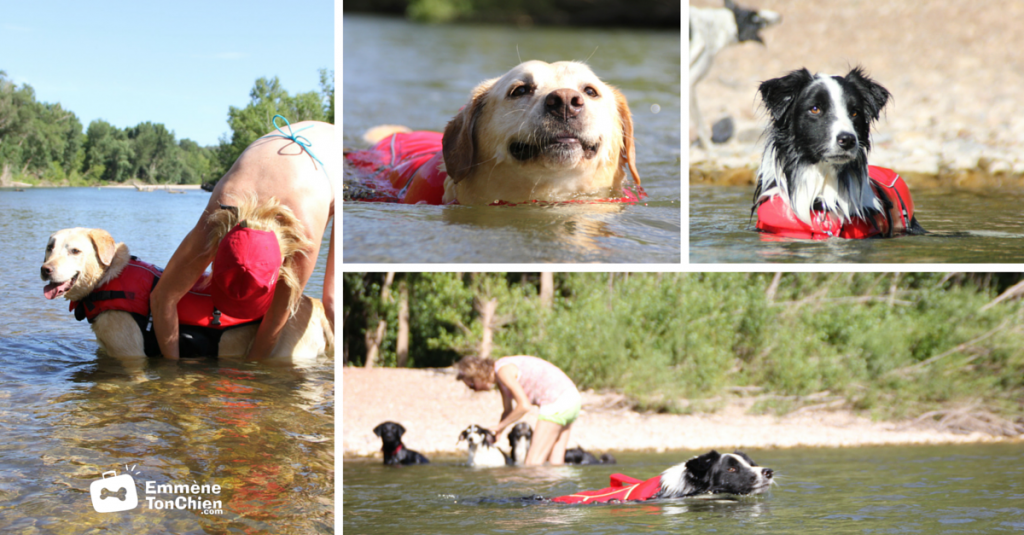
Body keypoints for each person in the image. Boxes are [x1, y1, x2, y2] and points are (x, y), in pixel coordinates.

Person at [151, 120, 335, 360]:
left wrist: (250, 381)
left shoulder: (305, 235)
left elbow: (273, 324)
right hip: (285, 150)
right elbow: (163, 297)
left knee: (332, 300)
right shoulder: (219, 213)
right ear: (216, 254)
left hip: (337, 159)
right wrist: (171, 373)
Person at [456, 355, 581, 466]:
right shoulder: (501, 376)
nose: (475, 390)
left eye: (472, 386)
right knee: (556, 462)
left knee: (533, 463)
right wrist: (500, 430)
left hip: (556, 400)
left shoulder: (503, 372)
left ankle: (535, 492)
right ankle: (562, 491)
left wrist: (500, 426)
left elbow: (524, 406)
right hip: (572, 397)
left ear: (478, 375)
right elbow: (508, 410)